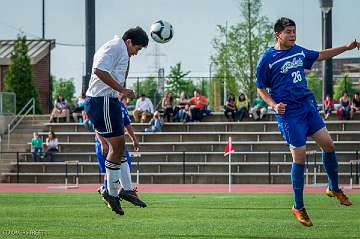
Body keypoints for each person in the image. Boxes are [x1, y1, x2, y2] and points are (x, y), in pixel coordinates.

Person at [256, 17, 356, 227]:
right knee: (299, 157)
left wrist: (346, 48)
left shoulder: (298, 51)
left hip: (307, 107)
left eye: (294, 31)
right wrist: (274, 105)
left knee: (328, 144)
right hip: (289, 114)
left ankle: (333, 187)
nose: (293, 35)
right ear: (278, 34)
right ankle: (298, 206)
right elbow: (261, 89)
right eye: (289, 32)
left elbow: (321, 55)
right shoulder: (267, 58)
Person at [84, 26, 148, 215]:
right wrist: (121, 89)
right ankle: (110, 192)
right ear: (129, 42)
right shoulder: (115, 46)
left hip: (107, 100)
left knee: (120, 148)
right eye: (137, 49)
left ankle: (125, 190)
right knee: (117, 148)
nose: (136, 53)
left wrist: (122, 84)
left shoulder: (122, 51)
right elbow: (98, 71)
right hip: (101, 100)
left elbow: (116, 72)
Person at [96, 96, 146, 208]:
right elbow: (97, 126)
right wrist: (103, 143)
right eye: (125, 98)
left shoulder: (121, 106)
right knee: (110, 169)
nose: (127, 101)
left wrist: (134, 139)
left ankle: (125, 190)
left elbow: (127, 124)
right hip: (106, 141)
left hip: (119, 142)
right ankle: (109, 193)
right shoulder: (105, 104)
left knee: (125, 164)